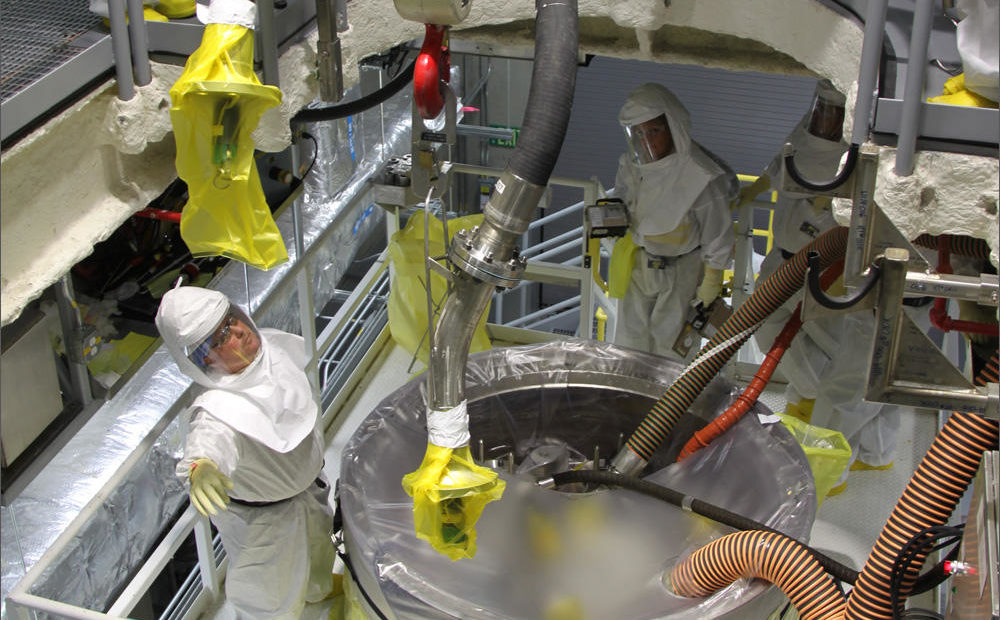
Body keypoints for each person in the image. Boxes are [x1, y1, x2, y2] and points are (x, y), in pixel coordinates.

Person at [742, 79, 902, 492]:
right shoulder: (807, 138)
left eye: (835, 115)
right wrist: (752, 192)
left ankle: (847, 454)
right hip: (786, 259)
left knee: (843, 365)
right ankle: (813, 397)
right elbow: (780, 166)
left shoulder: (864, 157)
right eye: (822, 111)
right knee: (769, 329)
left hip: (834, 271)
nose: (826, 122)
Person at [155, 286, 335, 619]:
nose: (238, 330)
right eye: (222, 337)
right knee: (270, 597)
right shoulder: (218, 409)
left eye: (232, 320)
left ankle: (318, 592)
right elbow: (209, 442)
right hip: (265, 521)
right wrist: (202, 468)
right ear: (203, 358)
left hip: (309, 493)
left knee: (320, 552)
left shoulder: (270, 350)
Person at [609, 83, 737, 359]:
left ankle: (668, 403)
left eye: (654, 131)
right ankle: (629, 399)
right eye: (638, 133)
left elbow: (718, 232)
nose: (646, 141)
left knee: (671, 350)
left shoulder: (698, 175)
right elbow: (622, 198)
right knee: (630, 343)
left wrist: (712, 279)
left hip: (683, 271)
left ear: (673, 126)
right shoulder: (631, 165)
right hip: (641, 262)